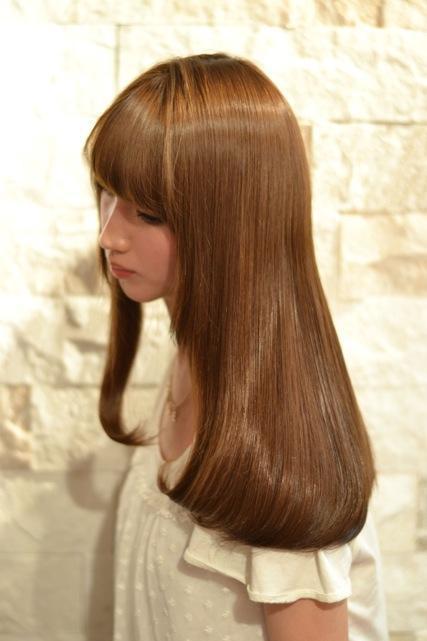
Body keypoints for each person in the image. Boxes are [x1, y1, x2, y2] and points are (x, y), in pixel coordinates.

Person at [82, 52, 389, 641]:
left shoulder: (276, 448)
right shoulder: (195, 360)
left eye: (147, 213)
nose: (108, 235)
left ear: (233, 222)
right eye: (107, 193)